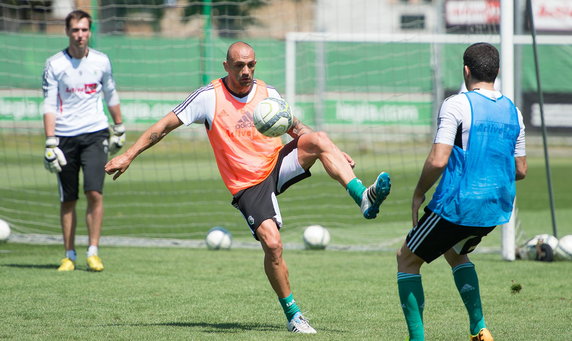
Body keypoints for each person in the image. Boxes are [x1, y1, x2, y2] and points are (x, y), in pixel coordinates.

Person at [105, 41, 391, 333]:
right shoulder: (208, 97)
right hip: (247, 183)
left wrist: (332, 149)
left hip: (275, 164)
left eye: (251, 65)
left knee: (319, 138)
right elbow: (162, 127)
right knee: (273, 244)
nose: (246, 71)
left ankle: (363, 198)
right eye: (239, 65)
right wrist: (129, 155)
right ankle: (294, 315)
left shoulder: (269, 94)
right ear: (226, 66)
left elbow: (297, 128)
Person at [395, 42, 527, 341]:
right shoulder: (514, 112)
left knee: (406, 258)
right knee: (455, 253)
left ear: (466, 70)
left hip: (457, 205)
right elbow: (520, 170)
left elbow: (438, 159)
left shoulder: (457, 103)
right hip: (495, 209)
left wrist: (418, 193)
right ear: (496, 72)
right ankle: (479, 329)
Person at [42, 10, 125, 272]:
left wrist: (119, 126)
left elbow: (110, 94)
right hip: (64, 137)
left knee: (95, 192)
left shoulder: (101, 61)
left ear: (90, 32)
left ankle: (93, 252)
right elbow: (49, 104)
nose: (80, 35)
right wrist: (50, 141)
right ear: (68, 32)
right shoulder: (54, 64)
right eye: (75, 30)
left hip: (95, 133)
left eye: (84, 30)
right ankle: (69, 255)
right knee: (68, 198)